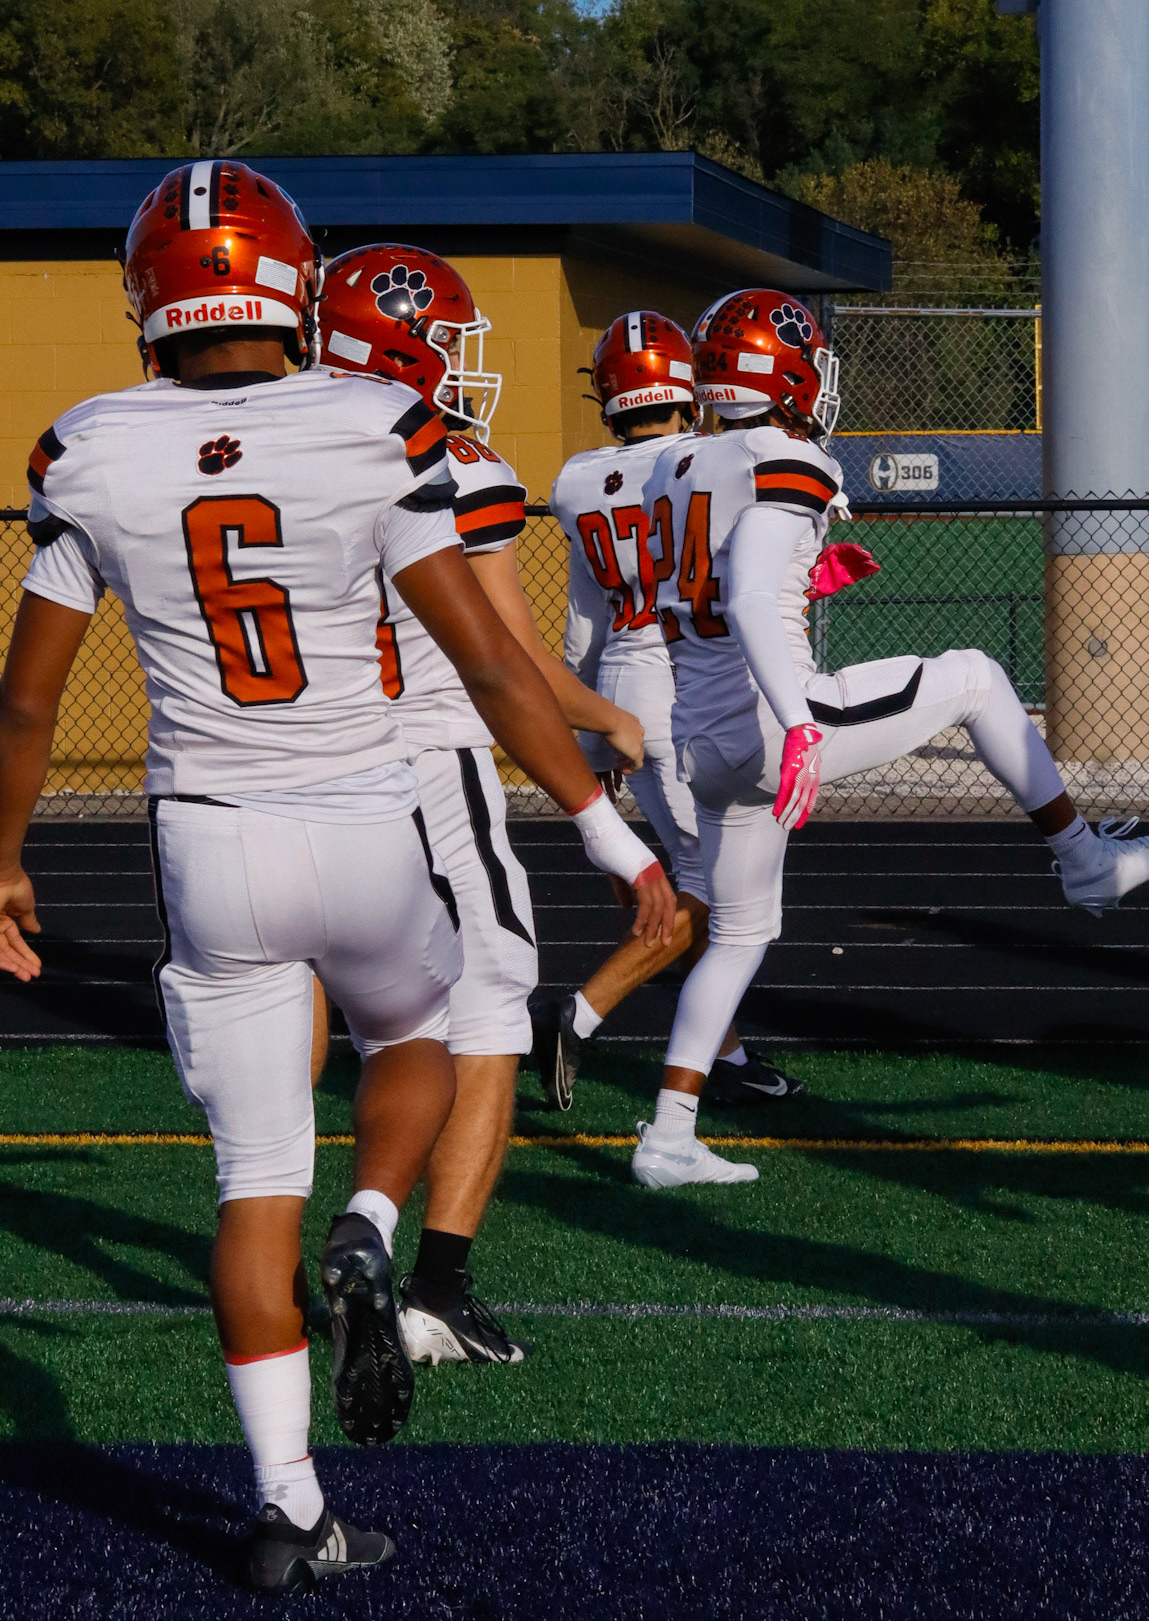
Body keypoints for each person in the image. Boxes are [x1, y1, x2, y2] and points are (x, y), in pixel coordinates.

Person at [0, 161, 675, 1591]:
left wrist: (0, 860)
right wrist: (609, 837)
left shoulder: (90, 449)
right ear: (293, 286)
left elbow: (25, 706)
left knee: (252, 1184)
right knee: (418, 1035)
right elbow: (490, 663)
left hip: (208, 840)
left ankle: (288, 1511)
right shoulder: (377, 425)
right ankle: (373, 1224)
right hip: (367, 817)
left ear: (146, 298)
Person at [631, 285, 1149, 1190]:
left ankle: (667, 1138)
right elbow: (746, 596)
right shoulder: (789, 454)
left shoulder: (672, 464)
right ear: (782, 372)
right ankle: (1084, 862)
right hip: (773, 721)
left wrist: (809, 574)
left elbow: (715, 582)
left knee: (738, 937)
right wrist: (800, 721)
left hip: (700, 737)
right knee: (976, 676)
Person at [315, 246, 648, 1368]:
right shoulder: (451, 459)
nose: (459, 364)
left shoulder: (285, 436)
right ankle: (436, 1289)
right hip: (430, 762)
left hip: (305, 771)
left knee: (327, 1017)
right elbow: (508, 657)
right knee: (491, 1009)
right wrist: (613, 723)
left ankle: (279, 1256)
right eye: (445, 340)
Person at [538, 310, 803, 1111]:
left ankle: (725, 1054)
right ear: (687, 388)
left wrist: (592, 747)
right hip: (687, 679)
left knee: (697, 878)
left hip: (620, 681)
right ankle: (582, 1011)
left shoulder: (577, 481)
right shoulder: (708, 461)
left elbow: (583, 626)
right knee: (717, 887)